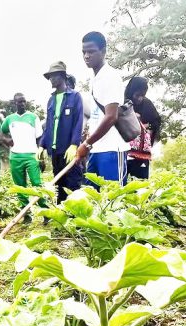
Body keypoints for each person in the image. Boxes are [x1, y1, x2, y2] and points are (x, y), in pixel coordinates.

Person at [76, 31, 129, 187]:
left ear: (104, 51)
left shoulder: (110, 76)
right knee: (93, 200)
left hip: (112, 150)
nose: (86, 56)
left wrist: (86, 144)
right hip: (97, 150)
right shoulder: (95, 79)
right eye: (84, 52)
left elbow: (111, 117)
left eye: (91, 51)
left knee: (114, 201)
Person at [38, 61, 84, 203]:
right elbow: (49, 125)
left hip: (69, 150)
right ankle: (62, 216)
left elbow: (78, 122)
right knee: (60, 184)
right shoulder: (51, 100)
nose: (51, 80)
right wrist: (42, 145)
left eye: (53, 76)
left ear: (62, 76)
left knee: (73, 185)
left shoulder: (75, 96)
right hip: (55, 151)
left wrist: (74, 144)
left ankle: (75, 219)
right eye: (49, 77)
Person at [1, 93, 45, 221]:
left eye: (24, 101)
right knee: (20, 186)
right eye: (19, 102)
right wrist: (7, 141)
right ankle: (26, 214)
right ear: (14, 103)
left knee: (37, 183)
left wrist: (40, 156)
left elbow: (39, 137)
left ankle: (45, 211)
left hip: (32, 155)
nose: (22, 104)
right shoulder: (9, 119)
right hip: (15, 156)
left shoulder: (33, 117)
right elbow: (1, 132)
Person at [124, 77, 161, 179]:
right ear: (131, 92)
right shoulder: (122, 103)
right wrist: (131, 117)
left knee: (141, 186)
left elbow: (156, 122)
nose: (140, 98)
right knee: (121, 186)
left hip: (141, 155)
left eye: (142, 95)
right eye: (137, 95)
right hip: (122, 153)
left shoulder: (147, 104)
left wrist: (145, 125)